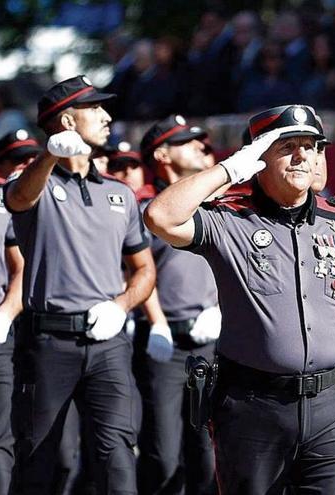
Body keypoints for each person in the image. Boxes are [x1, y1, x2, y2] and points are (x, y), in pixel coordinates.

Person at [144, 104, 335, 494]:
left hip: (333, 407)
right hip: (254, 408)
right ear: (258, 157)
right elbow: (160, 217)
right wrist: (229, 169)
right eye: (287, 145)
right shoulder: (229, 219)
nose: (302, 155)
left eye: (310, 145)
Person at [5, 75, 156, 494]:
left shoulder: (119, 193)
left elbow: (144, 270)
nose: (107, 117)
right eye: (95, 109)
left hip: (108, 343)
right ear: (68, 121)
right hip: (49, 344)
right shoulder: (37, 180)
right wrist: (50, 156)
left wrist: (121, 305)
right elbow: (17, 199)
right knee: (43, 459)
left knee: (118, 456)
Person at [134, 114, 219, 495]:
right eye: (187, 142)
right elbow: (137, 271)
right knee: (162, 454)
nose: (201, 147)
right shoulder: (147, 209)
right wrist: (158, 324)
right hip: (165, 344)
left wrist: (221, 309)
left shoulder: (215, 207)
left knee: (208, 454)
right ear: (163, 155)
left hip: (211, 342)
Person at [0, 130, 31, 494]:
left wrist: (5, 314)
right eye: (16, 160)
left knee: (0, 440)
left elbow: (21, 267)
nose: (24, 167)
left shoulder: (4, 200)